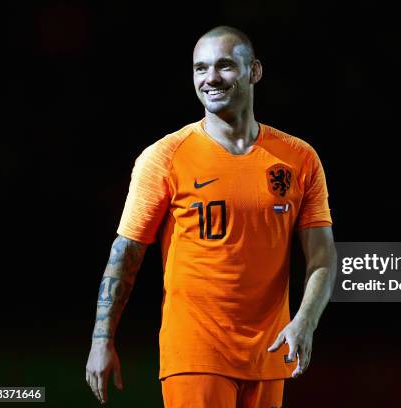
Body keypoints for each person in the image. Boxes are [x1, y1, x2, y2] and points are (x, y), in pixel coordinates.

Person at [85, 25, 337, 407]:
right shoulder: (164, 157)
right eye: (200, 68)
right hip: (195, 353)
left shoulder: (298, 158)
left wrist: (305, 321)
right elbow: (126, 252)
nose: (210, 78)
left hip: (271, 353)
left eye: (224, 66)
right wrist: (102, 341)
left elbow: (322, 256)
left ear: (254, 71)